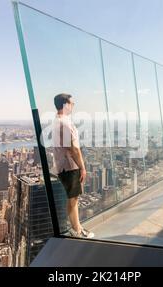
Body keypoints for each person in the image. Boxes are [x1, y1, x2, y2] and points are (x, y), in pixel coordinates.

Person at [52, 93, 94, 238]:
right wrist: (82, 167)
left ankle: (77, 227)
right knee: (73, 198)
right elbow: (74, 148)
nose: (73, 106)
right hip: (70, 166)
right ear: (65, 105)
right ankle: (77, 231)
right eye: (72, 103)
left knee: (72, 197)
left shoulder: (58, 121)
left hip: (64, 165)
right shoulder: (64, 123)